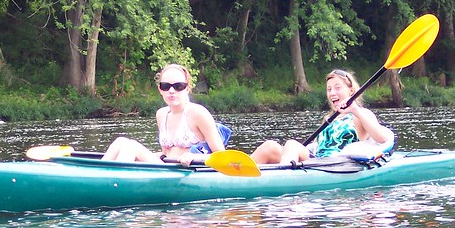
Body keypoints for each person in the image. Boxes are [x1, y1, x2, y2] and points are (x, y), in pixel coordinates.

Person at [251, 68, 395, 165]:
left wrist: (355, 110)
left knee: (292, 144)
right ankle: (232, 175)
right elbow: (316, 147)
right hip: (318, 161)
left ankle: (284, 179)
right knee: (269, 146)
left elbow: (382, 139)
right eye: (329, 89)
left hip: (336, 165)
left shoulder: (360, 114)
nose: (332, 93)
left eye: (338, 88)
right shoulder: (328, 119)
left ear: (351, 91)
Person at [102, 63, 229, 166]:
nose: (171, 91)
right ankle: (98, 178)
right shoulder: (161, 114)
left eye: (178, 86)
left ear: (187, 88)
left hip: (183, 172)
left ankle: (114, 183)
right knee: (121, 142)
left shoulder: (198, 113)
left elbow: (221, 156)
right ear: (160, 90)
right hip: (165, 166)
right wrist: (142, 156)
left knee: (131, 147)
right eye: (166, 86)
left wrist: (195, 156)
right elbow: (165, 153)